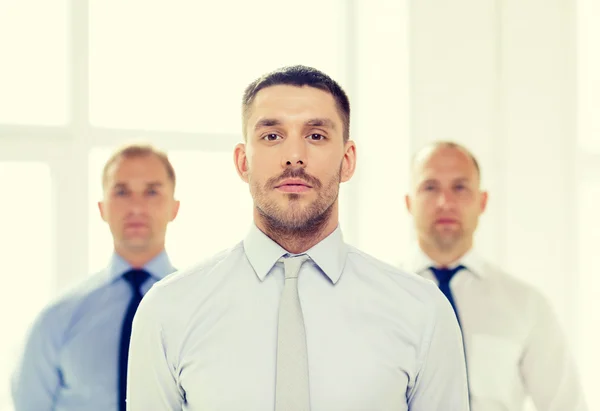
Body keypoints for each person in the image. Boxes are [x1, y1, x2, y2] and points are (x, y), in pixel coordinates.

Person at [126, 65, 470, 411]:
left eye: (316, 135)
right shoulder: (167, 311)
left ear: (347, 160)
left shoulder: (422, 312)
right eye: (272, 136)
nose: (294, 156)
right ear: (243, 161)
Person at [403, 141, 587, 410]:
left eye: (460, 187)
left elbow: (566, 405)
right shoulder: (379, 298)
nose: (445, 202)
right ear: (409, 202)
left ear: (483, 201)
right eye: (430, 187)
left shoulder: (526, 305)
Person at [11, 143, 181, 411]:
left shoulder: (201, 310)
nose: (136, 206)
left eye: (151, 191)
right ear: (102, 208)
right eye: (122, 192)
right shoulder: (57, 319)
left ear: (174, 208)